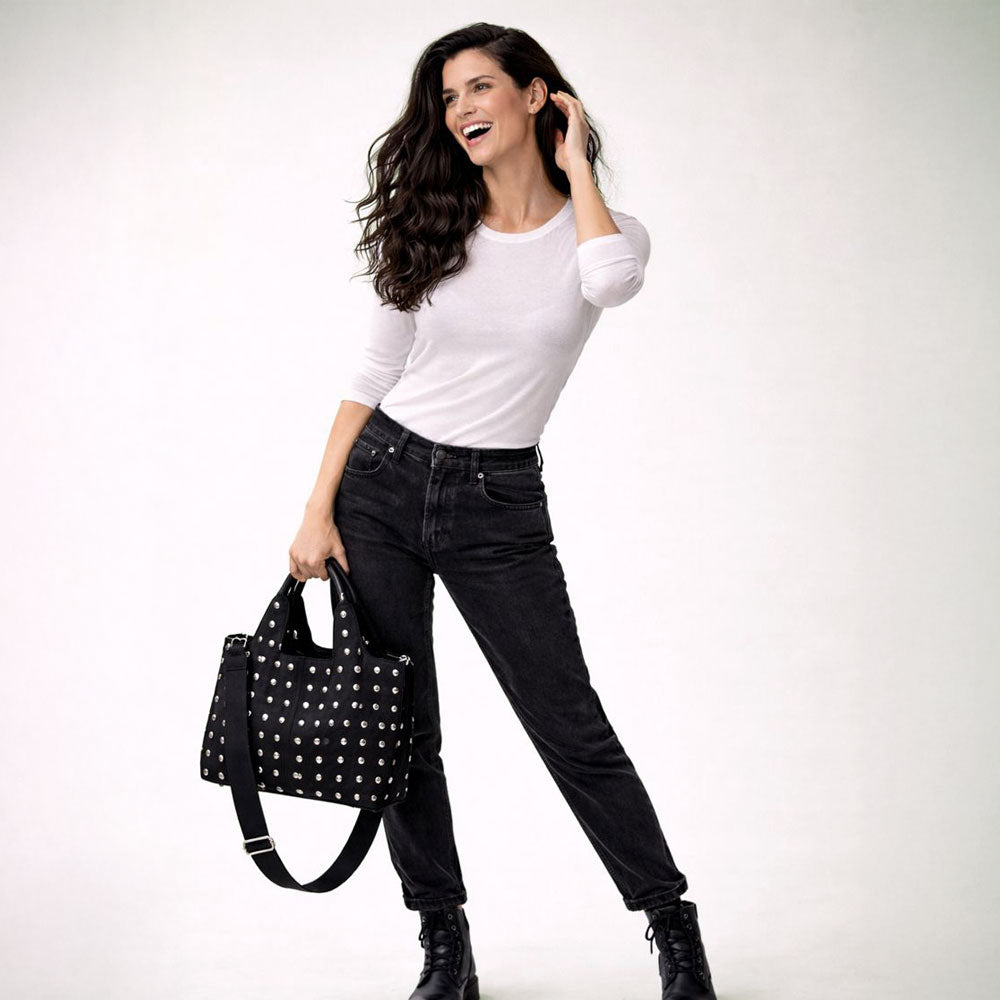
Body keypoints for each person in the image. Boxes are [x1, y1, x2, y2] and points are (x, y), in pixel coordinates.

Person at [288, 22, 718, 1000]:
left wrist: (578, 165)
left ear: (535, 97)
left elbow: (612, 284)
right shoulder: (431, 224)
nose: (460, 110)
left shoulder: (604, 233)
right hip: (381, 486)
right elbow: (372, 373)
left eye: (480, 87)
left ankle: (671, 924)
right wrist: (317, 507)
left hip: (497, 502)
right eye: (447, 97)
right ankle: (445, 945)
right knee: (400, 729)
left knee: (569, 723)